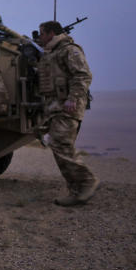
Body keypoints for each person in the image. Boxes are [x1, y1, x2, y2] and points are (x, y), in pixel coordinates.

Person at [35, 20, 97, 206]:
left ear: (51, 33)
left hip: (68, 106)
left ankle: (86, 182)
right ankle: (76, 190)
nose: (40, 38)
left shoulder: (69, 50)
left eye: (42, 34)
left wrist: (73, 98)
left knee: (62, 145)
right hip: (56, 106)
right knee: (59, 146)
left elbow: (83, 75)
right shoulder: (53, 52)